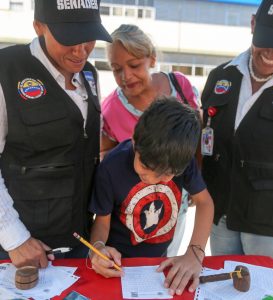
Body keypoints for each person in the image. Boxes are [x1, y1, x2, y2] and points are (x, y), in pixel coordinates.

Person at [0, 0, 112, 268]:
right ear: (39, 27)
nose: (80, 50)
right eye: (69, 38)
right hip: (21, 251)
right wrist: (15, 239)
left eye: (88, 37)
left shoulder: (89, 74)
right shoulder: (6, 70)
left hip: (79, 243)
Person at [201, 0, 273, 259]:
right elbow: (206, 139)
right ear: (253, 24)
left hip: (272, 224)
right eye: (268, 38)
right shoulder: (221, 76)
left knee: (267, 292)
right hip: (220, 213)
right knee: (222, 288)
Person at [89, 97, 214, 296]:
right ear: (134, 141)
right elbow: (101, 222)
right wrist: (97, 249)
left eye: (166, 174)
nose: (153, 179)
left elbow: (205, 202)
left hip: (158, 261)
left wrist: (195, 253)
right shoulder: (111, 168)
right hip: (118, 263)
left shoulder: (181, 159)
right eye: (145, 167)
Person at [101, 24, 200, 256]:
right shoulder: (111, 109)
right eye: (116, 69)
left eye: (134, 65)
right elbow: (105, 156)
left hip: (177, 203)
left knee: (168, 258)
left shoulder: (180, 85)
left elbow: (195, 136)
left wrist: (195, 182)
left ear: (152, 59)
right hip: (133, 215)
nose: (126, 76)